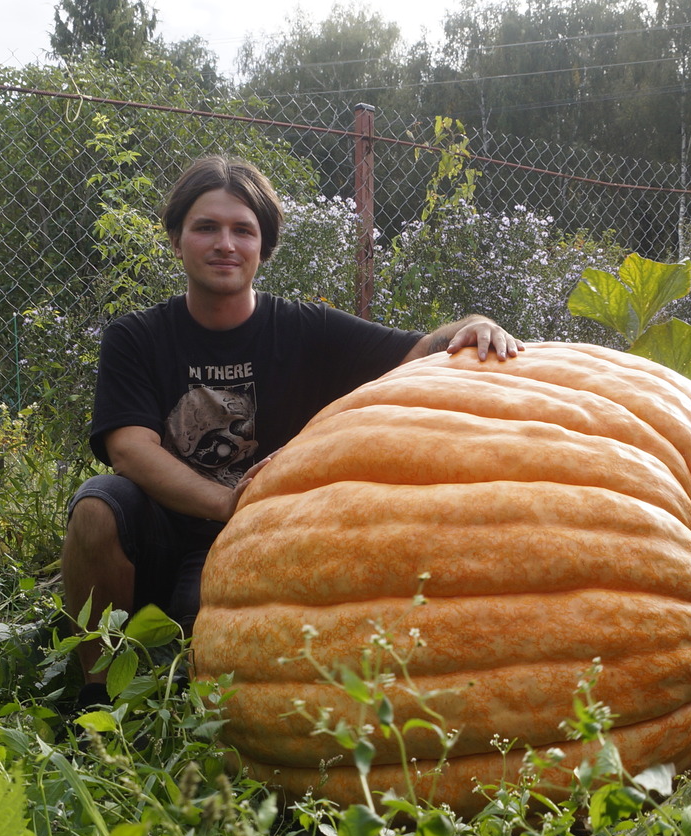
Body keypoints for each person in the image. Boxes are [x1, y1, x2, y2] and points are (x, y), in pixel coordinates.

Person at [61, 153, 522, 656]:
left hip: (256, 542)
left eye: (243, 230)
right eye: (206, 227)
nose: (225, 244)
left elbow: (420, 351)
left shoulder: (307, 330)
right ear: (176, 240)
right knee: (97, 505)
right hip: (159, 529)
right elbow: (128, 448)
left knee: (201, 651)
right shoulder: (136, 337)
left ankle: (179, 646)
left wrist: (473, 324)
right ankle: (92, 701)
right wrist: (224, 501)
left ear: (263, 247)